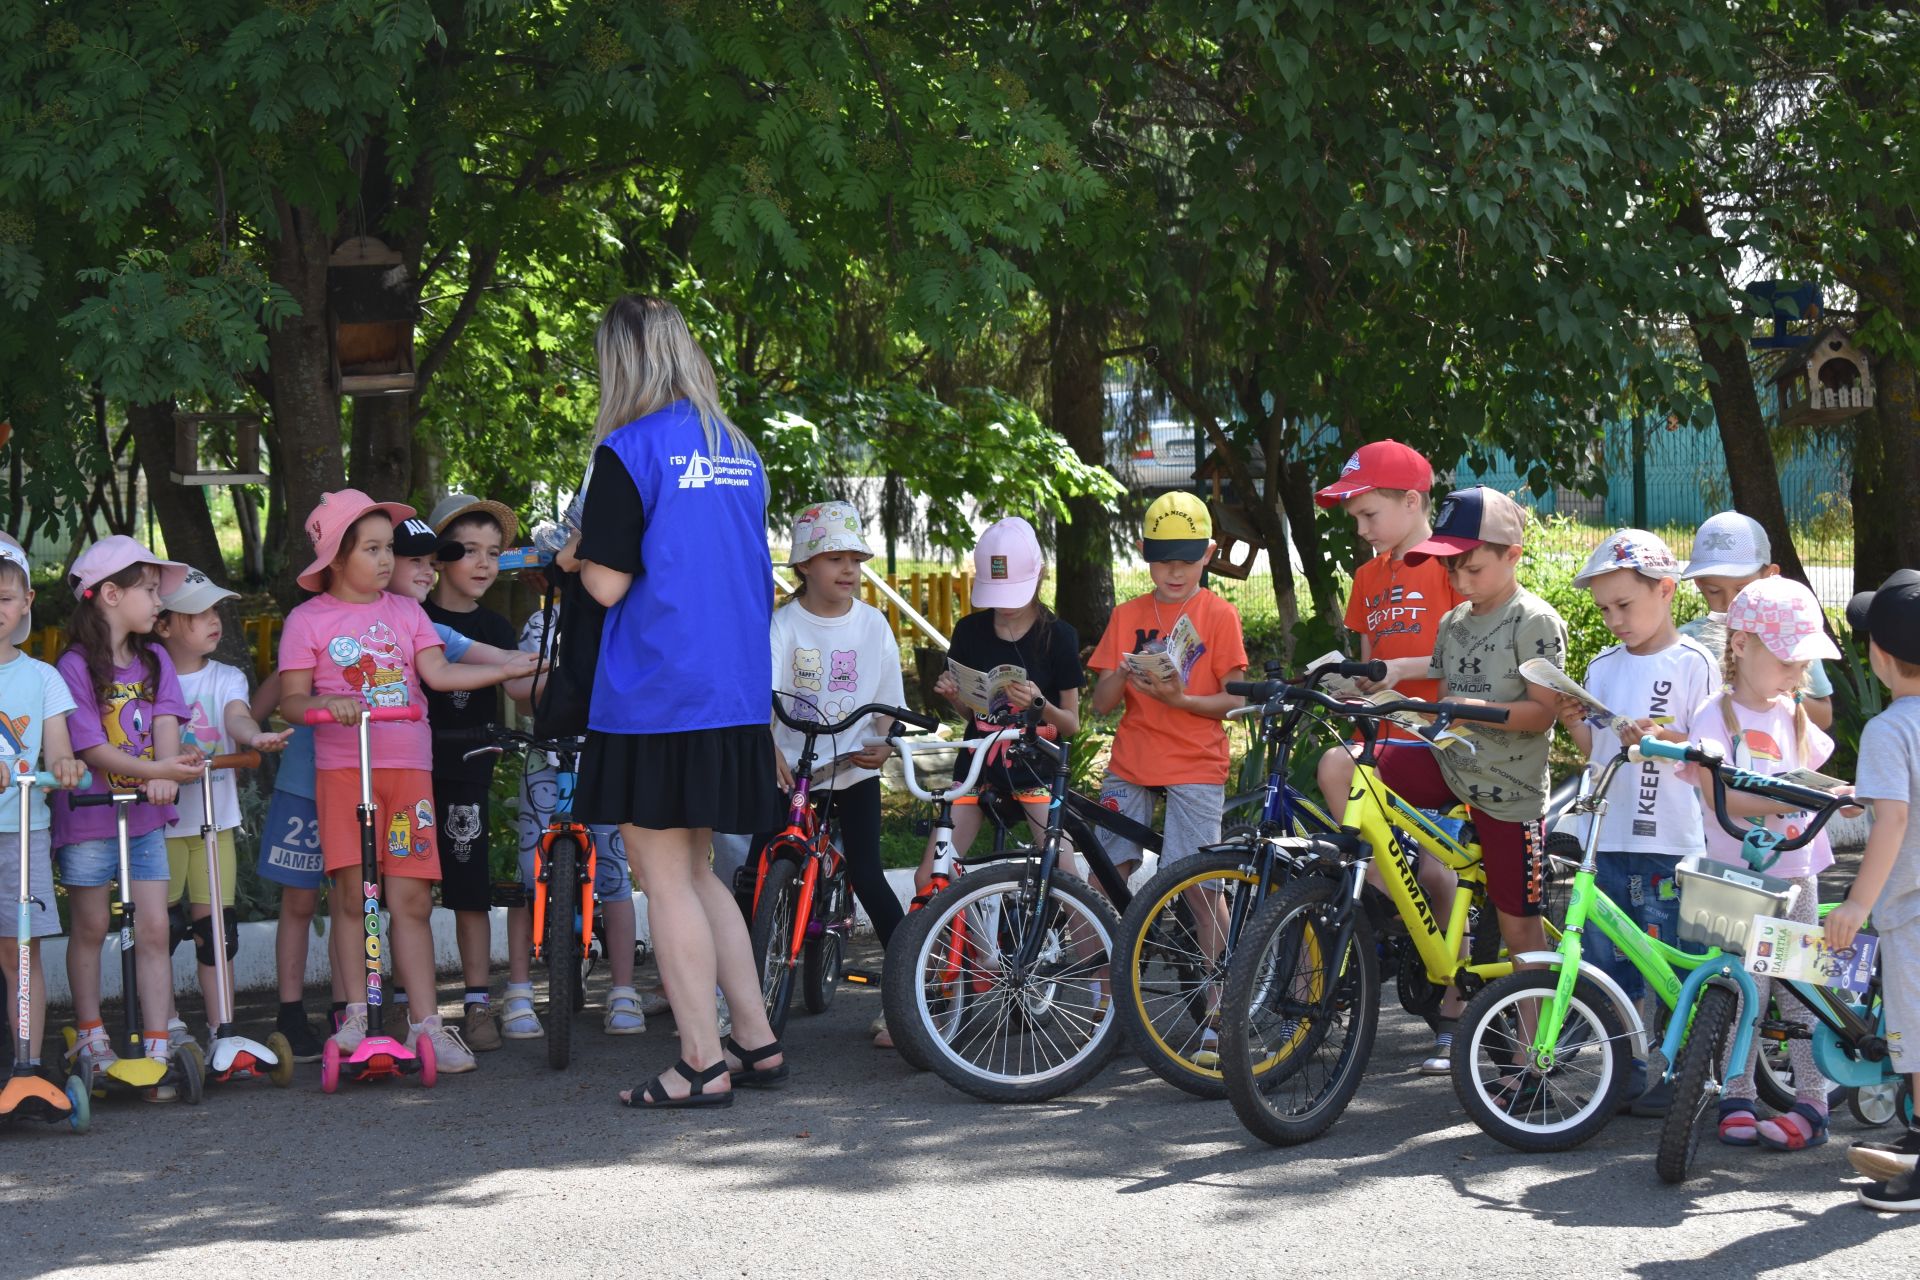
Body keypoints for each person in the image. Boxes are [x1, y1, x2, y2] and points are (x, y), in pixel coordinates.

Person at [573, 295, 786, 1109]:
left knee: (665, 880)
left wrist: (573, 554)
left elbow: (606, 581)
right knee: (698, 875)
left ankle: (700, 1060)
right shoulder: (739, 449)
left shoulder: (627, 451)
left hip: (655, 691)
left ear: (621, 361)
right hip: (731, 689)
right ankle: (755, 1040)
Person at [275, 489, 533, 1077]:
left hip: (407, 769)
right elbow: (290, 703)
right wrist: (324, 704)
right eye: (372, 548)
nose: (387, 560)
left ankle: (427, 1023)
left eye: (389, 547)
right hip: (345, 772)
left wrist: (508, 667)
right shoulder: (307, 620)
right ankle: (359, 1018)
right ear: (335, 559)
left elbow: (438, 673)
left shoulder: (408, 613)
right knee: (350, 895)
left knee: (410, 898)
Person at [1393, 488, 1568, 1074]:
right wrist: (1383, 692)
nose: (1460, 578)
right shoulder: (1452, 621)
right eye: (1452, 566)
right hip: (1451, 763)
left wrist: (1466, 708)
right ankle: (1376, 873)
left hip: (1509, 791)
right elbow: (1436, 688)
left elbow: (1543, 713)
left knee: (1521, 925)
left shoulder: (1535, 621)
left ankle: (1532, 1048)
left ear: (1513, 555)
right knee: (1347, 766)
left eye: (1473, 566)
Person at [1311, 441, 1468, 1056]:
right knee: (1335, 771)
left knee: (1439, 871)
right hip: (1378, 736)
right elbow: (1372, 655)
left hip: (1434, 738)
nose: (1361, 527)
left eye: (1369, 514)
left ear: (1412, 501)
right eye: (1354, 517)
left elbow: (1467, 655)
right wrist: (1348, 680)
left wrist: (1406, 675)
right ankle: (1388, 894)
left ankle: (1454, 1003)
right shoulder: (1368, 576)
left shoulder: (1452, 564)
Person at [1554, 530, 1716, 1114]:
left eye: (1624, 604)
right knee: (1607, 963)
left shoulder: (1694, 663)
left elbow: (1714, 749)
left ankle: (1680, 1075)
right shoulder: (1601, 667)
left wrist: (1670, 740)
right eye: (1603, 609)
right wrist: (1576, 719)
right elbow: (1594, 753)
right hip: (1609, 839)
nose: (1614, 619)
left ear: (1667, 590)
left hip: (1672, 842)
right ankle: (1622, 1071)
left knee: (1671, 960)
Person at [1682, 575, 1844, 1151]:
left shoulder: (1795, 714)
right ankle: (1736, 1092)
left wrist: (1834, 792)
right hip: (1738, 878)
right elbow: (1718, 794)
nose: (1799, 674)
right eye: (1788, 660)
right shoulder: (1715, 716)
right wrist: (1796, 797)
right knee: (1743, 987)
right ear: (1743, 644)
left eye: (1803, 662)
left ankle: (1813, 1101)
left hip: (1796, 873)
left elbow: (1819, 776)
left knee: (1800, 988)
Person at [49, 536, 203, 1098]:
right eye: (149, 590)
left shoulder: (155, 658)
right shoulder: (72, 667)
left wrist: (165, 769)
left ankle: (158, 1038)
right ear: (110, 595)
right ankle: (89, 1034)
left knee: (156, 925)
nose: (159, 601)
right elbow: (89, 750)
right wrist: (153, 771)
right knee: (91, 926)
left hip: (140, 821)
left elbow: (165, 721)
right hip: (89, 818)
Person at [755, 501, 908, 1047]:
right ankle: (742, 992)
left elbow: (889, 699)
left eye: (854, 559)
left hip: (852, 769)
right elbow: (760, 693)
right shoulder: (781, 624)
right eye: (832, 557)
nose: (847, 569)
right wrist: (764, 743)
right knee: (759, 868)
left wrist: (884, 745)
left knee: (867, 873)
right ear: (803, 566)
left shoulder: (872, 626)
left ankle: (910, 996)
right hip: (790, 769)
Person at [501, 569, 647, 1040]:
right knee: (530, 874)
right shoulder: (545, 623)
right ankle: (520, 989)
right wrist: (564, 676)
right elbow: (519, 692)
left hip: (608, 760)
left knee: (614, 873)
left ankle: (624, 989)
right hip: (548, 758)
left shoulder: (625, 619)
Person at [154, 567, 291, 1046]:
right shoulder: (147, 680)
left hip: (216, 823)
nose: (214, 619)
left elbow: (238, 714)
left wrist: (255, 736)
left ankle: (222, 1028)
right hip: (160, 827)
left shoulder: (226, 676)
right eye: (198, 612)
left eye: (215, 609)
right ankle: (165, 1026)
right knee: (161, 930)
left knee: (217, 930)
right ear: (162, 625)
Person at [1088, 491, 1249, 881]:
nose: (1175, 573)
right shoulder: (1126, 614)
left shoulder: (1220, 615)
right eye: (1162, 561)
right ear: (1142, 551)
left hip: (1195, 760)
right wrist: (1126, 670)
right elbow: (1099, 706)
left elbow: (1235, 704)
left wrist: (1180, 699)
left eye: (1187, 561)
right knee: (1104, 874)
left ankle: (1218, 946)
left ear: (1209, 553)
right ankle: (1097, 945)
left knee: (1195, 883)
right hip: (1133, 759)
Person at [1827, 569, 1920, 1210]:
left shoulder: (1890, 730)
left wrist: (1858, 903)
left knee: (1917, 1038)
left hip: (1912, 908)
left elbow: (1893, 820)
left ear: (1881, 658)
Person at [921, 515, 1082, 880]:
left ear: (1040, 576)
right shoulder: (970, 631)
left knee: (1065, 874)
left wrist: (1040, 705)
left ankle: (1096, 939)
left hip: (1036, 772)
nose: (1005, 606)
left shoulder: (1059, 637)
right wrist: (954, 696)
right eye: (997, 595)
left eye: (1014, 593)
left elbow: (1071, 724)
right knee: (931, 875)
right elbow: (972, 715)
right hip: (977, 768)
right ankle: (970, 937)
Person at [421, 493, 522, 1054]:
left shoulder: (498, 627)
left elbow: (522, 693)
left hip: (471, 767)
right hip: (408, 767)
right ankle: (405, 1003)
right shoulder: (410, 617)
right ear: (436, 557)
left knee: (470, 887)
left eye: (494, 552)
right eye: (468, 551)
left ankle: (478, 1003)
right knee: (403, 889)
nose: (484, 563)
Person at [0, 535, 87, 1080]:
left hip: (20, 834)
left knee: (19, 953)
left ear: (27, 602)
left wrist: (67, 765)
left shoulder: (42, 678)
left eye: (4, 597)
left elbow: (57, 749)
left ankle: (27, 1066)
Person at [1680, 511, 1835, 728]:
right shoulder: (1687, 641)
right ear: (1699, 585)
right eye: (1714, 591)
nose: (1731, 602)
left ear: (1770, 575)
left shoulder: (1792, 634)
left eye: (1742, 589)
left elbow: (1823, 716)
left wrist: (1771, 689)